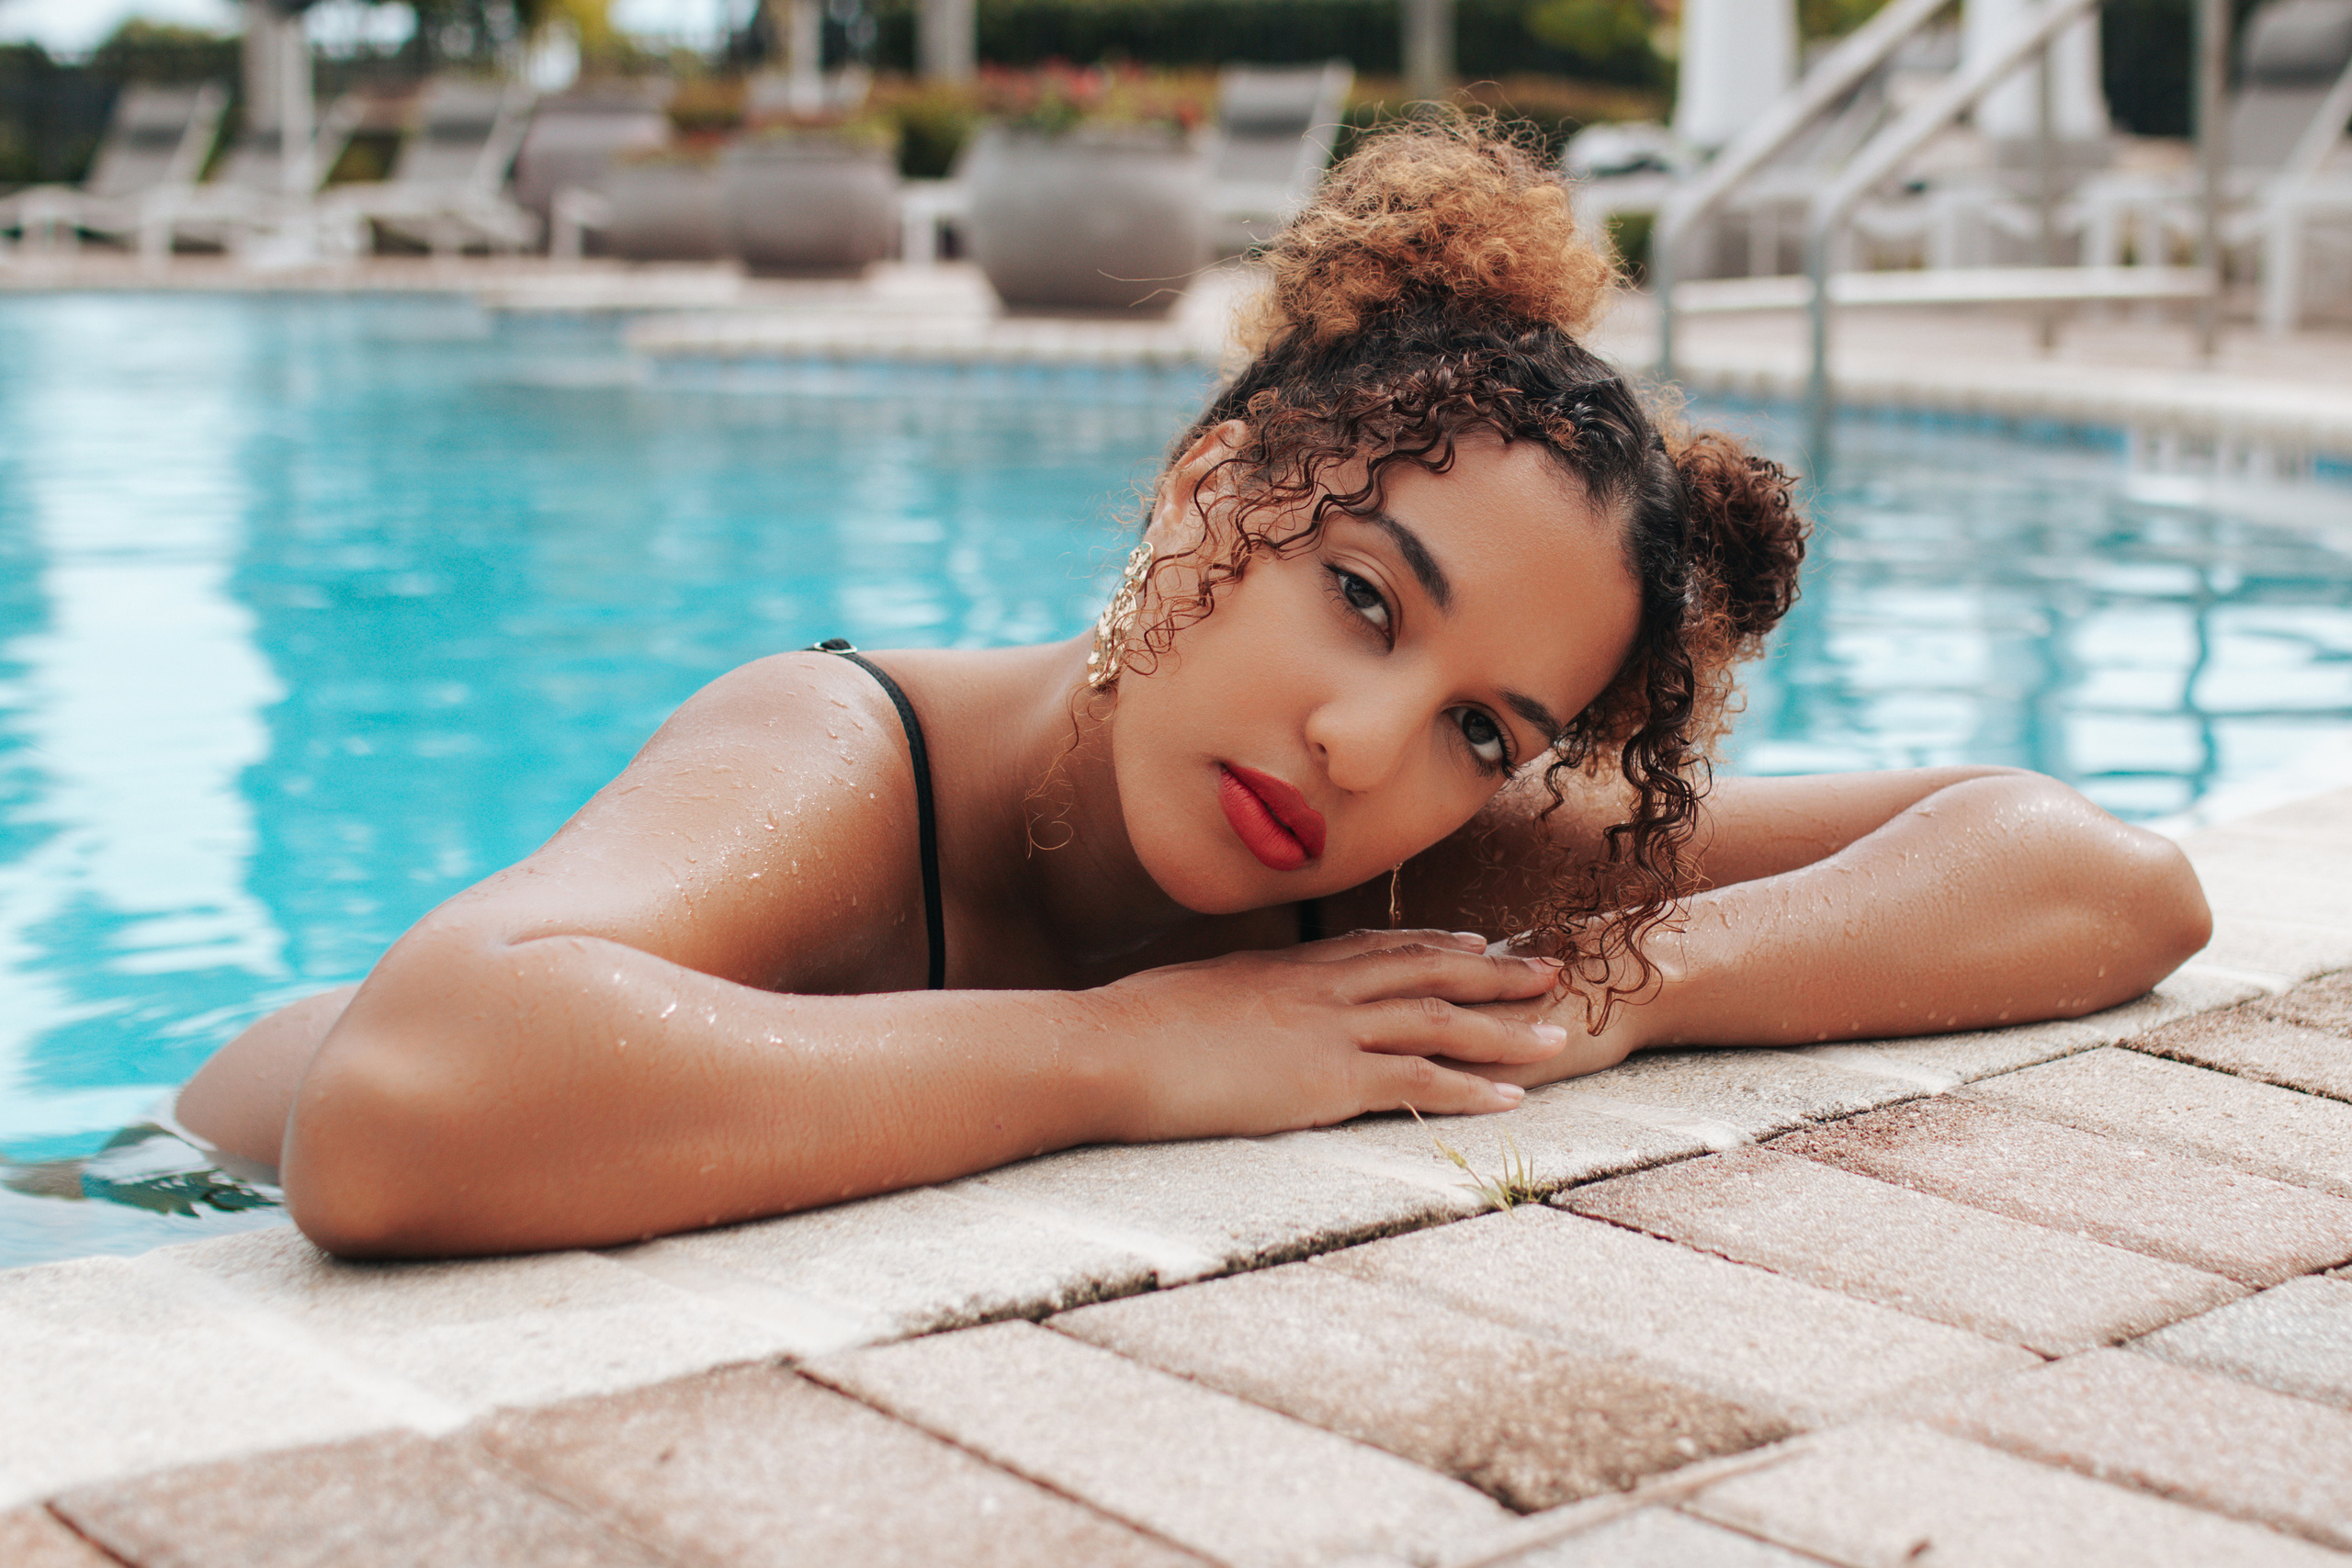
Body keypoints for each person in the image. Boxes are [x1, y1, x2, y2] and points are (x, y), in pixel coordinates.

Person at [175, 123, 2211, 1258]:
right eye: (1356, 596)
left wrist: (1611, 987)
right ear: (1204, 487)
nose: (1362, 745)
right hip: (153, 1166)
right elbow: (396, 1112)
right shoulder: (831, 750)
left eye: (1485, 729)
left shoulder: (1410, 855)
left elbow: (2094, 872)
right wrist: (1136, 1052)